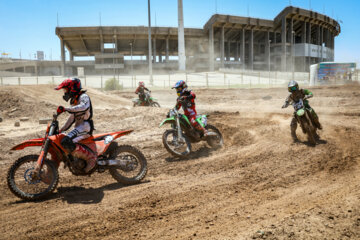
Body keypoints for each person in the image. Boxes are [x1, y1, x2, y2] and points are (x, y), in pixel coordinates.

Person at [55, 78, 96, 173]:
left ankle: (91, 159)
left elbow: (83, 107)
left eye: (65, 89)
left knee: (66, 141)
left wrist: (66, 109)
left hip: (85, 126)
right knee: (62, 139)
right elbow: (72, 118)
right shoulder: (74, 100)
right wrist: (62, 129)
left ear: (72, 88)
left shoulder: (83, 96)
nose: (65, 92)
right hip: (79, 127)